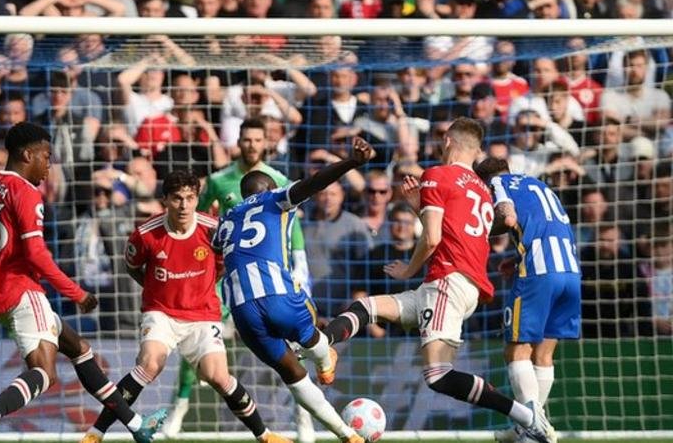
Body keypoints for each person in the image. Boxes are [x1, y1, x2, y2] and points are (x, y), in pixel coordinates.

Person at [321, 118, 553, 443]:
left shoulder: (436, 175)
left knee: (437, 374)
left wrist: (407, 270)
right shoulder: (483, 192)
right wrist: (420, 209)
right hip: (453, 284)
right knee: (367, 307)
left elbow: (430, 240)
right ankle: (321, 346)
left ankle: (526, 416)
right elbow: (452, 235)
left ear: (447, 142)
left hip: (446, 282)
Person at [0, 122, 166, 443]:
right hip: (24, 292)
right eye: (46, 157)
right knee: (45, 373)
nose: (48, 166)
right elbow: (36, 254)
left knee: (79, 349)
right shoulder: (27, 193)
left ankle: (136, 425)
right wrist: (76, 293)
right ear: (26, 154)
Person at [80, 170, 290, 443]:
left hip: (203, 315)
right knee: (150, 365)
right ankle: (96, 434)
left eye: (190, 198)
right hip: (161, 313)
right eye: (177, 198)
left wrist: (200, 288)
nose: (183, 205)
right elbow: (132, 267)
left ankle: (264, 435)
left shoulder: (213, 229)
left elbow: (223, 266)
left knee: (219, 377)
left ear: (197, 198)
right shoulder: (145, 234)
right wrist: (157, 290)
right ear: (165, 199)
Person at [212, 136, 380, 443]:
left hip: (241, 311)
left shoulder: (225, 223)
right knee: (310, 324)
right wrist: (352, 162)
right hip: (276, 294)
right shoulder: (275, 198)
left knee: (292, 375)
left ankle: (347, 435)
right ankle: (325, 359)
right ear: (267, 187)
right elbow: (316, 182)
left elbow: (214, 257)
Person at [169, 117, 315, 441]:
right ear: (238, 141)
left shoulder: (277, 179)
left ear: (266, 143)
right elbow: (202, 222)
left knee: (294, 345)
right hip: (226, 277)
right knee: (197, 332)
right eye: (246, 139)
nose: (251, 145)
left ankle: (303, 419)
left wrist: (301, 270)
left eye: (257, 139)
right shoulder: (220, 181)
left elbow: (295, 231)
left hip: (272, 274)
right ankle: (177, 409)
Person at [475, 157, 581, 443]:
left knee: (516, 351)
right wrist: (517, 255)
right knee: (543, 355)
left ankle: (532, 426)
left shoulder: (497, 184)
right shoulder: (540, 186)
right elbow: (547, 228)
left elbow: (507, 217)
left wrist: (478, 226)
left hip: (539, 274)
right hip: (570, 272)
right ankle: (530, 428)